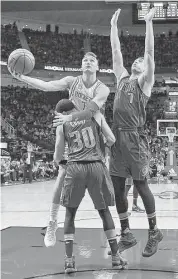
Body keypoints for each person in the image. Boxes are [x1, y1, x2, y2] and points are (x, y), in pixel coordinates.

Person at [8, 52, 110, 247]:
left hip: (93, 135)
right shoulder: (72, 81)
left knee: (101, 187)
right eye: (84, 60)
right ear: (81, 66)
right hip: (73, 135)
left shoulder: (102, 89)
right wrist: (23, 78)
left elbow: (90, 112)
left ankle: (112, 232)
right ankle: (52, 222)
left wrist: (68, 118)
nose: (88, 62)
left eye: (92, 60)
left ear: (97, 66)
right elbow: (48, 86)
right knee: (62, 175)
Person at [109, 7, 163, 257]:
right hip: (117, 138)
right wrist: (112, 28)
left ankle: (154, 232)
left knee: (141, 186)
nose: (136, 61)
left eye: (139, 62)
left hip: (134, 138)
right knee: (118, 187)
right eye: (135, 61)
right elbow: (116, 52)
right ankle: (126, 233)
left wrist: (149, 23)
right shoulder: (121, 78)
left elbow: (149, 52)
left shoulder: (144, 83)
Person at [53, 99, 127, 273]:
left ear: (63, 113)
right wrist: (101, 145)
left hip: (75, 167)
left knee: (70, 213)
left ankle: (69, 261)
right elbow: (111, 139)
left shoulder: (62, 125)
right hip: (96, 166)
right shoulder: (96, 115)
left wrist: (62, 162)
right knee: (104, 212)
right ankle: (116, 257)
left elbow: (57, 154)